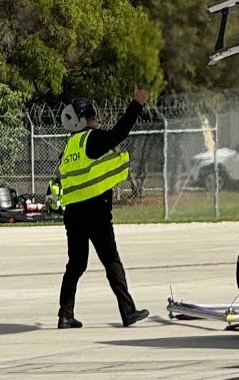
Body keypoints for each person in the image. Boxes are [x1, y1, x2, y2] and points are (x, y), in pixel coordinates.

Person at [55, 88, 150, 329]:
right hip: (96, 212)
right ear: (83, 120)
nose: (96, 119)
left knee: (76, 264)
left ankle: (65, 315)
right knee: (111, 261)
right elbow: (119, 133)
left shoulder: (69, 148)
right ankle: (128, 312)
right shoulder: (91, 139)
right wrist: (136, 104)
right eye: (92, 116)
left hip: (73, 214)